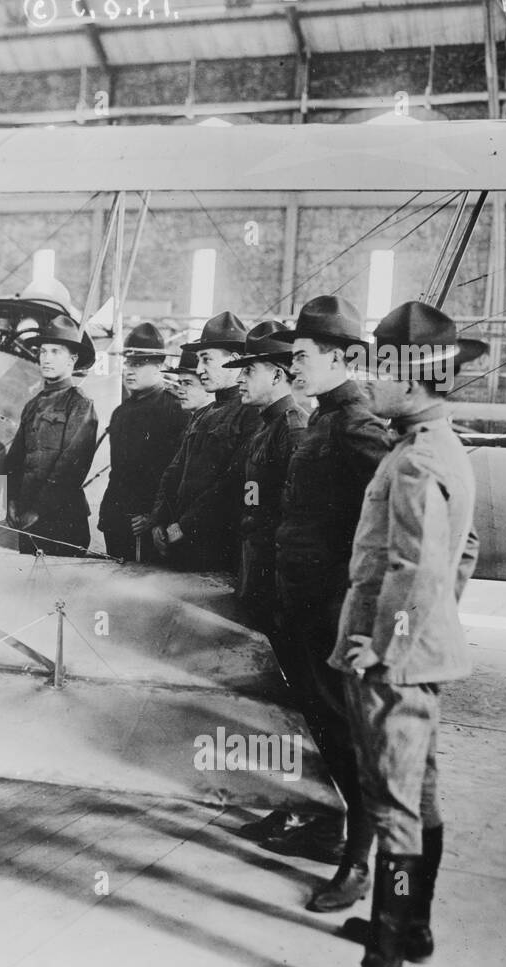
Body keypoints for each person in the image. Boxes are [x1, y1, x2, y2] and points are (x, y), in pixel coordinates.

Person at [328, 302, 483, 967]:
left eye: (377, 371)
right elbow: (461, 557)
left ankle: (383, 966)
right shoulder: (440, 444)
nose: (369, 382)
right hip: (426, 652)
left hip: (396, 661)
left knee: (392, 805)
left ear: (411, 382)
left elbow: (413, 569)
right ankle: (411, 927)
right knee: (419, 795)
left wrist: (385, 650)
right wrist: (433, 629)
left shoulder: (418, 462)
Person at [262, 296, 394, 915]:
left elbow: (391, 522)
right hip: (304, 607)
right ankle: (339, 835)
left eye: (303, 356)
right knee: (328, 733)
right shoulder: (320, 419)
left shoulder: (355, 425)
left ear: (341, 358)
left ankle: (358, 863)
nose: (294, 367)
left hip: (333, 612)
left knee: (351, 739)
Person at [224, 321, 310, 844]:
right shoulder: (265, 425)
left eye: (249, 370)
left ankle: (302, 809)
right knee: (274, 700)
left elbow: (293, 516)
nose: (241, 379)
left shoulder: (293, 427)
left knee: (294, 701)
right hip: (257, 569)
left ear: (277, 375)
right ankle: (284, 803)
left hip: (278, 578)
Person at [150, 312, 261, 571]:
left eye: (206, 359)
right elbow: (173, 471)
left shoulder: (250, 413)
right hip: (180, 542)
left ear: (234, 361)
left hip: (217, 548)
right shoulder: (206, 413)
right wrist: (159, 519)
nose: (200, 369)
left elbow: (234, 484)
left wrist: (185, 525)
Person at [3, 313, 99, 557]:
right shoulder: (33, 405)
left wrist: (37, 510)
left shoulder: (80, 405)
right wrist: (12, 502)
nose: (46, 358)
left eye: (56, 352)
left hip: (63, 520)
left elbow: (71, 467)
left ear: (72, 359)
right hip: (28, 521)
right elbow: (14, 460)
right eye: (43, 352)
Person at [98, 323, 189, 562]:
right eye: (127, 362)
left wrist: (154, 516)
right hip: (116, 518)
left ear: (159, 365)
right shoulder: (121, 411)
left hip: (148, 524)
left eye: (138, 364)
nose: (129, 370)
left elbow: (177, 474)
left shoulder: (175, 409)